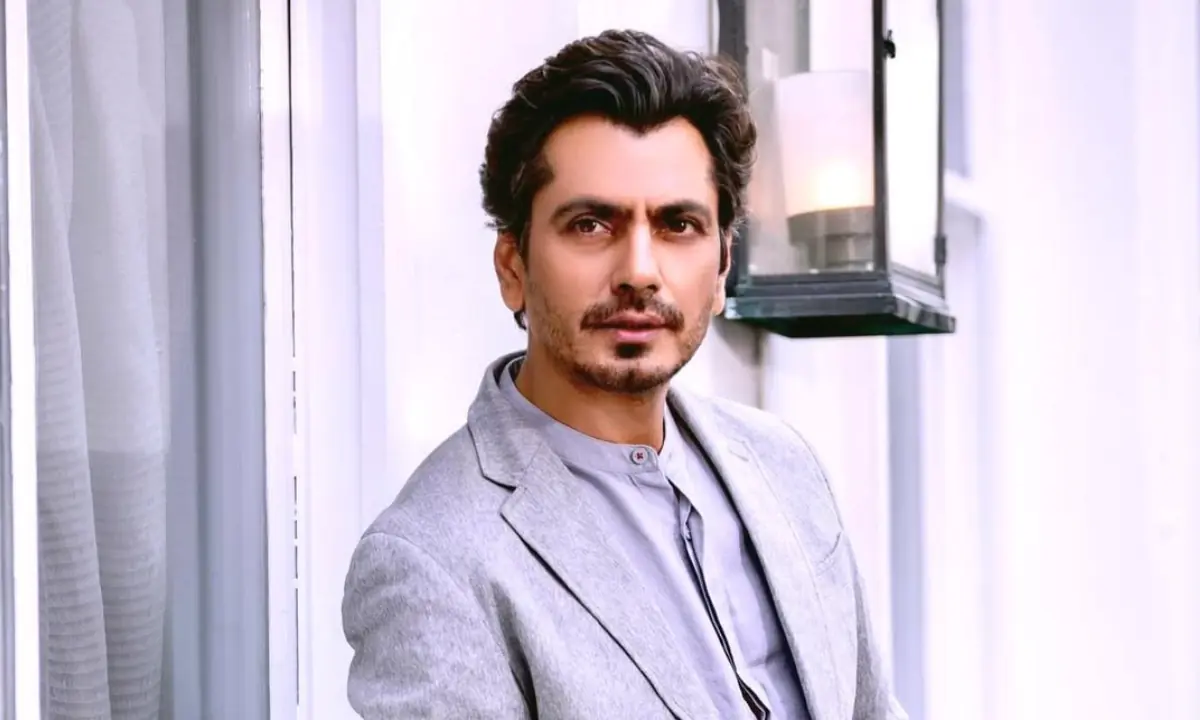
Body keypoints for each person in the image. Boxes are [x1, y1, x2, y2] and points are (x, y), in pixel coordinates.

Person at [342, 29, 905, 720]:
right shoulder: (432, 560)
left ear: (722, 267)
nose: (639, 271)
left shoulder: (785, 468)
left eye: (678, 225)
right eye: (591, 224)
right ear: (513, 266)